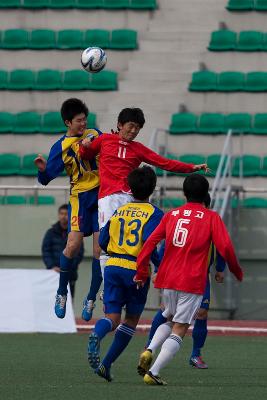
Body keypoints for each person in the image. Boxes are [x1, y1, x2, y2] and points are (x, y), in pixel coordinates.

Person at [134, 174, 243, 385]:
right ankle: (154, 372)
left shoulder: (171, 215)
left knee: (169, 317)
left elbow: (148, 243)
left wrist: (141, 271)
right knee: (181, 327)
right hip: (191, 280)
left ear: (184, 193)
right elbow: (226, 247)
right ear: (205, 194)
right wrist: (236, 270)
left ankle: (149, 349)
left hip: (168, 278)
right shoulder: (212, 218)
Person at [79, 107, 209, 275]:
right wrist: (84, 146)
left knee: (136, 242)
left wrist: (190, 168)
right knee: (106, 243)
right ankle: (108, 286)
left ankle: (137, 276)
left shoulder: (138, 149)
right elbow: (86, 154)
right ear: (120, 124)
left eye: (137, 128)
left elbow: (163, 162)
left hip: (131, 199)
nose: (133, 131)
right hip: (108, 198)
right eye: (131, 126)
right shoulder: (104, 139)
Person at [87, 166, 163, 382]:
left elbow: (102, 241)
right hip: (135, 269)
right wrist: (159, 265)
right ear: (153, 189)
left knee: (111, 317)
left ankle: (97, 333)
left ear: (129, 188)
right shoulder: (155, 213)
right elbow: (149, 243)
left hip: (112, 265)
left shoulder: (119, 211)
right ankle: (106, 364)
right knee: (130, 320)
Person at [139, 194, 226, 372]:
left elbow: (221, 246)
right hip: (183, 275)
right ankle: (149, 349)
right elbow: (165, 246)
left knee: (200, 313)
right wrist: (157, 269)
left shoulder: (205, 221)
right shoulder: (191, 218)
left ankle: (195, 354)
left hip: (196, 275)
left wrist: (219, 267)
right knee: (168, 313)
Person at [34, 98, 102, 320]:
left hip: (101, 196)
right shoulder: (60, 146)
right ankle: (61, 292)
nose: (83, 124)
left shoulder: (95, 133)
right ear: (68, 122)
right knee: (72, 246)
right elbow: (46, 179)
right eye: (79, 120)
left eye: (85, 119)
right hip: (79, 198)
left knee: (99, 253)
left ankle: (91, 297)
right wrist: (43, 171)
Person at [42, 204, 84, 300]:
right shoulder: (50, 232)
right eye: (61, 213)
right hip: (53, 274)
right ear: (58, 215)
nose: (64, 216)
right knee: (51, 300)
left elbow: (79, 253)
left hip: (70, 274)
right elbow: (46, 251)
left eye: (66, 214)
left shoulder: (76, 233)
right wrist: (52, 266)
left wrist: (67, 266)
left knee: (69, 300)